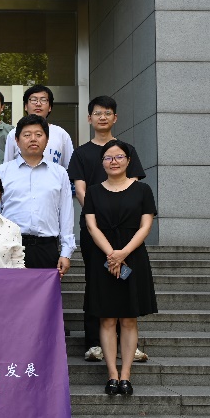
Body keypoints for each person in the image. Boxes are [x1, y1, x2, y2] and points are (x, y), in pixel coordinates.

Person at [68, 96, 148, 363]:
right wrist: (97, 212)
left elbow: (133, 187)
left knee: (127, 283)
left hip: (126, 231)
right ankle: (95, 342)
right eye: (97, 113)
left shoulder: (127, 149)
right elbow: (80, 189)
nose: (102, 117)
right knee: (96, 283)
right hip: (94, 229)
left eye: (107, 113)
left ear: (115, 118)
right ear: (89, 118)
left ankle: (128, 344)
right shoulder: (81, 153)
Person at [83, 139, 157, 396]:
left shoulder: (143, 190)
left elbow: (146, 226)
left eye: (119, 157)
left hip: (133, 256)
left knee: (128, 318)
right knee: (106, 318)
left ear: (128, 160)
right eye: (108, 158)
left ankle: (126, 375)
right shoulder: (93, 191)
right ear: (102, 163)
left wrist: (123, 253)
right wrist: (111, 255)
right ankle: (112, 375)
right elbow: (91, 226)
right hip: (102, 256)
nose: (113, 161)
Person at [0, 115, 75, 277]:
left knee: (44, 294)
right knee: (9, 293)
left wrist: (66, 252)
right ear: (17, 140)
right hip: (9, 247)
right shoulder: (1, 172)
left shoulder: (59, 173)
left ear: (47, 140)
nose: (33, 139)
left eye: (38, 134)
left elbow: (66, 214)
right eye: (27, 135)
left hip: (46, 248)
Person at [3, 85, 74, 169]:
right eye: (33, 100)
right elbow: (7, 167)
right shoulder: (13, 134)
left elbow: (70, 168)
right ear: (26, 106)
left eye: (43, 100)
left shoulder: (61, 134)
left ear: (50, 107)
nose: (38, 104)